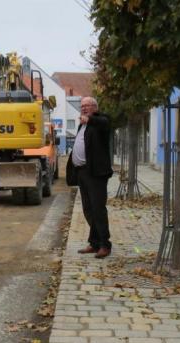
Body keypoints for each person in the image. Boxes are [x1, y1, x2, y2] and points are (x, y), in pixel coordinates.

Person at [68, 97, 113, 259]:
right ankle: (94, 243)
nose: (84, 108)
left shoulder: (101, 121)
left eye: (87, 106)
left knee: (98, 208)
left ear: (95, 107)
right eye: (82, 106)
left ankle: (105, 244)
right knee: (88, 209)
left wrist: (91, 119)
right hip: (82, 173)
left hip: (95, 173)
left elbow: (105, 123)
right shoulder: (83, 124)